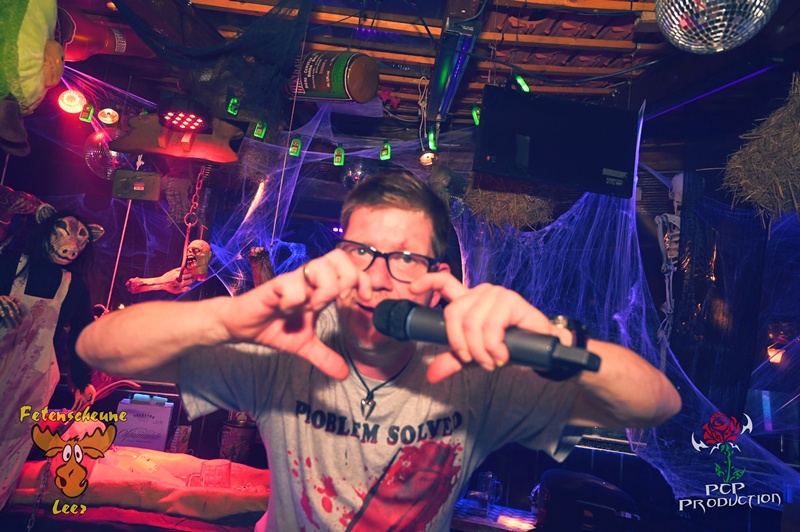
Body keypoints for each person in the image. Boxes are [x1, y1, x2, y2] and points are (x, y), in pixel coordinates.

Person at [76, 169, 681, 531]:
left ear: (437, 279)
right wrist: (232, 314)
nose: (377, 276)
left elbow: (655, 402)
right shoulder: (291, 348)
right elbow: (100, 347)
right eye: (360, 251)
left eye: (405, 258)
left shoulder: (472, 375)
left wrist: (549, 341)